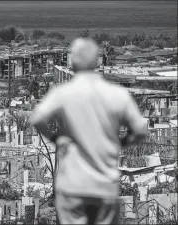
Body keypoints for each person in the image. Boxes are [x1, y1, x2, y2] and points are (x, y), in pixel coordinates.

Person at [31, 37, 147, 225]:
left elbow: (37, 118)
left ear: (72, 62)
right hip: (105, 187)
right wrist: (120, 143)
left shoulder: (63, 93)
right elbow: (140, 129)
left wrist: (56, 138)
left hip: (72, 185)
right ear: (97, 62)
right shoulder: (117, 94)